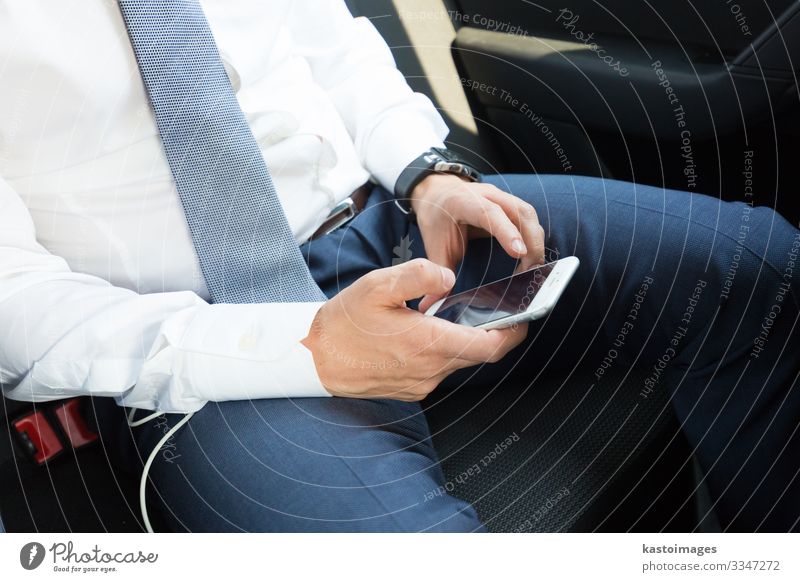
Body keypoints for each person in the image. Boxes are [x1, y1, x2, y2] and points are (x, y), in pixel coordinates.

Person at [0, 0, 797, 533]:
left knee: (767, 269)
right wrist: (313, 346)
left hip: (390, 226)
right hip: (210, 352)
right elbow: (14, 302)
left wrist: (428, 172)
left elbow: (330, 42)